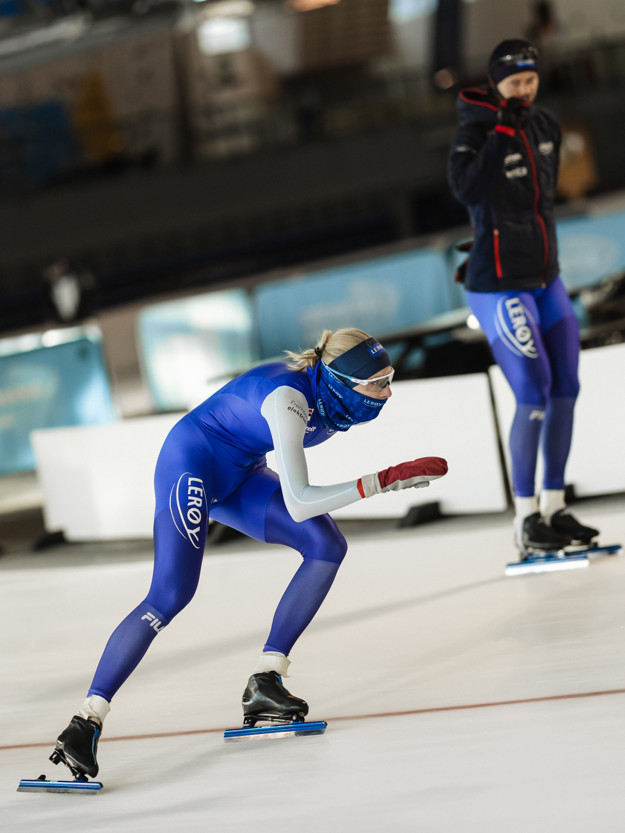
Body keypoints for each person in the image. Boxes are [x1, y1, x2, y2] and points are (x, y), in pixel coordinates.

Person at [51, 328, 448, 778]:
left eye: (389, 377)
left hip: (241, 472)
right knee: (171, 594)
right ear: (339, 378)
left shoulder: (332, 397)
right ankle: (84, 722)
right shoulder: (289, 398)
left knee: (325, 546)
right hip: (192, 463)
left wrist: (383, 477)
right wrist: (382, 479)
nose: (387, 391)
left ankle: (266, 680)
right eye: (378, 382)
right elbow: (300, 501)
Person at [448, 39, 599, 557]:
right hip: (499, 285)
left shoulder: (546, 124)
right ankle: (525, 517)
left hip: (545, 278)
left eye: (531, 80)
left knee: (567, 388)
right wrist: (502, 131)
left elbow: (544, 202)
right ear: (495, 83)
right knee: (533, 394)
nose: (524, 89)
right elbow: (468, 191)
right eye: (514, 82)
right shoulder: (475, 131)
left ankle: (554, 508)